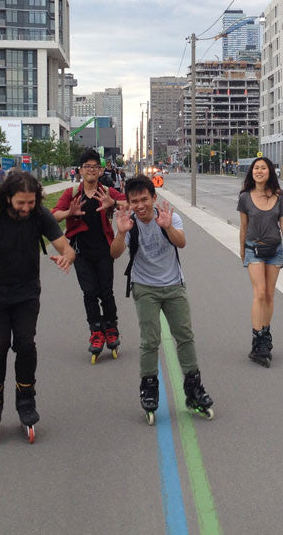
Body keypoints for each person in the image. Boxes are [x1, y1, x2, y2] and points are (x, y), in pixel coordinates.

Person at [0, 171, 76, 443]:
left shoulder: (39, 215)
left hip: (26, 293)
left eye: (31, 202)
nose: (26, 208)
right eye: (21, 203)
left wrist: (67, 256)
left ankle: (26, 399)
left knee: (25, 344)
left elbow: (65, 247)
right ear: (8, 198)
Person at [110, 174, 214, 423]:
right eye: (134, 201)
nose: (140, 205)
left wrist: (167, 226)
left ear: (154, 198)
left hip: (173, 286)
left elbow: (182, 243)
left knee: (185, 336)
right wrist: (120, 233)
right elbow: (114, 254)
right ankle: (149, 387)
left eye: (144, 199)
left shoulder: (168, 216)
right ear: (129, 202)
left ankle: (193, 388)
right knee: (150, 340)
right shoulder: (129, 222)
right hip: (144, 287)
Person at [52, 149, 126, 362]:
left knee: (107, 292)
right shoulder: (72, 193)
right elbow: (54, 215)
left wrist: (114, 204)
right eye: (87, 167)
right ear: (81, 170)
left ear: (101, 170)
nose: (91, 170)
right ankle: (96, 332)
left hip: (104, 250)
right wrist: (69, 213)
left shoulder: (107, 191)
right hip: (80, 252)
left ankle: (111, 329)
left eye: (95, 167)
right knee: (89, 292)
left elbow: (128, 202)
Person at [237, 156, 283, 367]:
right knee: (259, 293)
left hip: (275, 250)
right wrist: (241, 249)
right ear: (252, 172)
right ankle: (257, 336)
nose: (259, 171)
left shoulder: (280, 196)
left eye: (263, 168)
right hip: (253, 249)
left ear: (270, 172)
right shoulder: (244, 197)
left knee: (269, 295)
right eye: (256, 168)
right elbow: (243, 226)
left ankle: (265, 334)